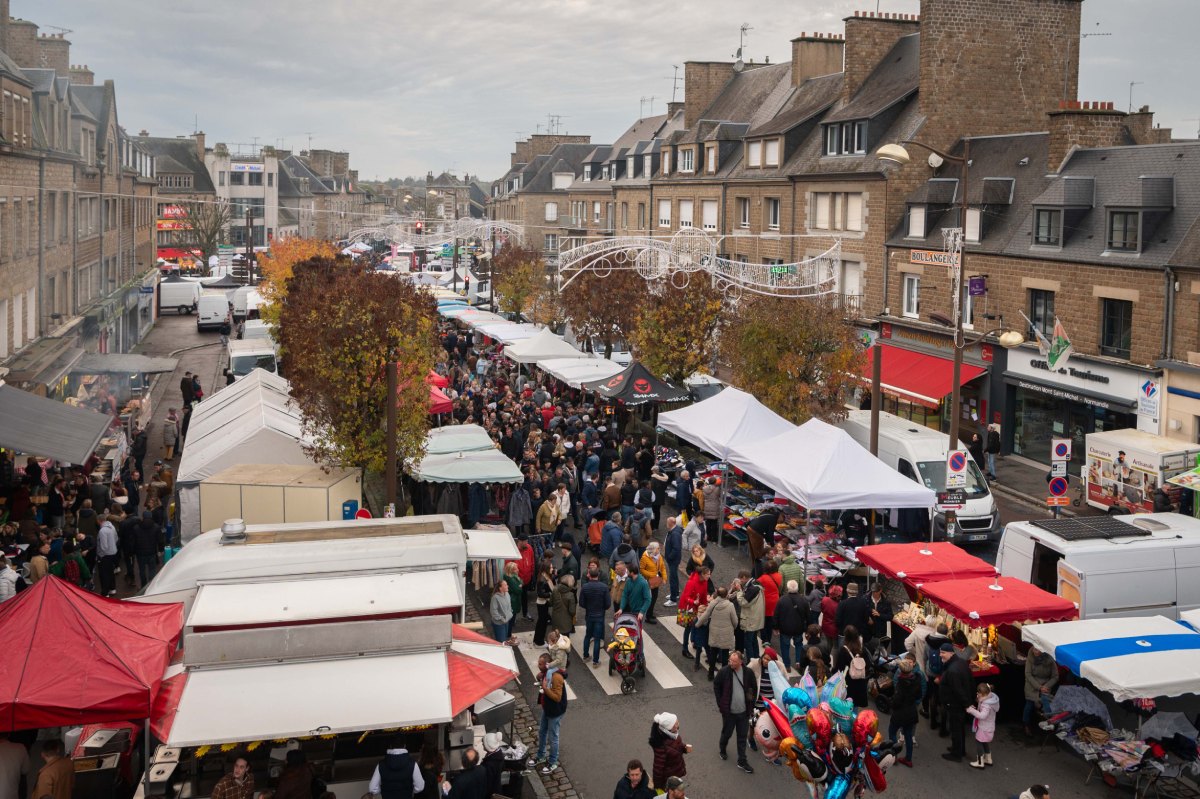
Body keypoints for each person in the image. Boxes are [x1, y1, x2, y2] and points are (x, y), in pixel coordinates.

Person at [712, 650, 756, 773]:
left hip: (743, 712)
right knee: (727, 733)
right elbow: (716, 685)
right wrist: (720, 703)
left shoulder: (748, 673)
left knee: (742, 737)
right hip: (729, 713)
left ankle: (742, 761)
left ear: (741, 662)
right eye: (730, 660)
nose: (731, 663)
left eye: (734, 661)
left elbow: (753, 688)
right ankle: (722, 749)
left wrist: (751, 705)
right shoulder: (724, 672)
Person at [527, 653, 567, 775]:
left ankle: (553, 761)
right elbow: (540, 678)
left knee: (553, 737)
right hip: (547, 708)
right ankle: (541, 756)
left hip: (555, 710)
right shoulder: (547, 673)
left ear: (547, 664)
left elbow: (557, 697)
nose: (538, 666)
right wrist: (538, 677)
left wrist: (545, 689)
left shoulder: (556, 677)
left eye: (540, 664)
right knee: (542, 732)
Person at [939, 642, 975, 762]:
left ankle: (956, 754)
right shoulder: (961, 663)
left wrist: (966, 704)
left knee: (956, 729)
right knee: (960, 728)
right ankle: (960, 749)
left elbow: (958, 690)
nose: (940, 655)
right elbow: (970, 682)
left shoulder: (952, 670)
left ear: (951, 653)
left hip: (955, 704)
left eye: (943, 653)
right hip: (959, 703)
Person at [887, 657, 924, 767]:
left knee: (892, 732)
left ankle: (893, 756)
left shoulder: (901, 684)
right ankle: (908, 759)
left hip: (899, 714)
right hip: (911, 712)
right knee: (908, 735)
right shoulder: (917, 679)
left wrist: (891, 702)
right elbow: (919, 695)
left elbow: (896, 701)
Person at [697, 586, 738, 680]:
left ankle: (710, 674)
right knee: (724, 655)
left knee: (713, 653)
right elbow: (735, 621)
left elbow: (705, 615)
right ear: (726, 594)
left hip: (714, 632)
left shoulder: (712, 603)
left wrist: (697, 624)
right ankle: (723, 676)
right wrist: (734, 627)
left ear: (717, 594)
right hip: (726, 633)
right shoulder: (730, 605)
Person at [678, 565, 712, 663]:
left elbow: (703, 596)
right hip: (687, 607)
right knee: (688, 628)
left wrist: (706, 605)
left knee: (695, 626)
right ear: (702, 574)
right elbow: (685, 597)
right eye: (708, 574)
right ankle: (684, 648)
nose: (709, 576)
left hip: (695, 607)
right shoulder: (691, 582)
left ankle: (695, 643)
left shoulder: (705, 582)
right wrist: (694, 602)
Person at [773, 579, 809, 671]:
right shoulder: (803, 600)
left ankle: (787, 665)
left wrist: (775, 627)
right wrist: (808, 629)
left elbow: (776, 615)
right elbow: (808, 615)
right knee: (798, 645)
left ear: (787, 588)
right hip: (799, 628)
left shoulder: (782, 600)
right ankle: (798, 661)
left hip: (785, 628)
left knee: (785, 647)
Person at [648, 713, 691, 789]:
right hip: (669, 780)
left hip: (676, 773)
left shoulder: (673, 734)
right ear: (670, 727)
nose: (678, 724)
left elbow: (677, 745)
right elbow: (658, 769)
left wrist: (684, 748)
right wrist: (658, 787)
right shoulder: (661, 747)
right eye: (676, 723)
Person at [1023, 645, 1059, 736]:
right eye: (1035, 649)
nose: (1036, 652)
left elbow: (1055, 676)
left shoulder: (1050, 659)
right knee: (1029, 705)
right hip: (1032, 685)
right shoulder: (1030, 658)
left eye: (1038, 650)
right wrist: (1039, 687)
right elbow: (1028, 674)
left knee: (1047, 705)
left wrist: (1045, 686)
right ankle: (1026, 725)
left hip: (1045, 685)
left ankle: (1049, 725)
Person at [580, 565, 609, 668]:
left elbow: (581, 603)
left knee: (588, 636)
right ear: (598, 574)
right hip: (600, 616)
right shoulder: (604, 587)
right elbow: (608, 604)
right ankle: (596, 662)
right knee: (597, 639)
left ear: (589, 575)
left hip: (589, 615)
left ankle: (586, 656)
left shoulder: (585, 587)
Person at [835, 626, 870, 709]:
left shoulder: (844, 650)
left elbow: (839, 668)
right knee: (855, 706)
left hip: (848, 683)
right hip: (860, 682)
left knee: (847, 707)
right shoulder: (862, 649)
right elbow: (868, 664)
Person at [966, 682, 999, 768]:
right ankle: (988, 759)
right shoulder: (991, 700)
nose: (977, 694)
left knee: (979, 741)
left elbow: (982, 715)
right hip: (989, 727)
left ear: (984, 694)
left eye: (978, 693)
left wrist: (971, 710)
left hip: (984, 727)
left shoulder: (986, 705)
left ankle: (980, 762)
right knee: (984, 742)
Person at [733, 572, 764, 662]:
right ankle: (756, 658)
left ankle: (751, 661)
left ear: (744, 577)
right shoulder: (756, 584)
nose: (740, 582)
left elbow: (743, 602)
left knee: (748, 642)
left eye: (740, 580)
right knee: (754, 640)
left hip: (750, 620)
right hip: (756, 619)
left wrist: (739, 591)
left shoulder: (752, 589)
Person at [639, 542, 667, 623]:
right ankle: (647, 616)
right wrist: (652, 574)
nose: (659, 549)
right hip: (647, 581)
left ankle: (649, 613)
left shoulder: (659, 556)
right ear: (653, 549)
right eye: (658, 548)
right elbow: (641, 569)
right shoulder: (645, 557)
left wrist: (664, 577)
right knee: (649, 598)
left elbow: (662, 567)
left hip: (655, 580)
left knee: (654, 597)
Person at [865, 583, 894, 648]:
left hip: (880, 631)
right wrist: (868, 618)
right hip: (868, 631)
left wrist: (879, 615)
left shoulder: (886, 602)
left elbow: (890, 616)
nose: (874, 593)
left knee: (879, 650)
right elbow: (861, 612)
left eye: (876, 592)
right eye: (873, 592)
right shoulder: (865, 599)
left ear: (880, 591)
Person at [533, 564, 554, 646]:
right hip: (542, 603)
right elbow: (540, 594)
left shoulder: (544, 577)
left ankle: (538, 640)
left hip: (543, 603)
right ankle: (539, 642)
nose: (552, 568)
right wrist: (550, 594)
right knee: (542, 623)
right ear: (547, 568)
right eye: (551, 567)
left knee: (542, 622)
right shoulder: (543, 579)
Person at [480, 733, 507, 799]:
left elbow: (488, 784)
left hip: (492, 794)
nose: (482, 744)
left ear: (488, 747)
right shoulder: (498, 753)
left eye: (483, 743)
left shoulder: (489, 765)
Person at [819, 584, 842, 651]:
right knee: (835, 647)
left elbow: (822, 610)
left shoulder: (824, 600)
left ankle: (826, 659)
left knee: (827, 646)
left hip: (825, 626)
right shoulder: (839, 605)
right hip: (835, 629)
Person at [700, 477, 721, 545]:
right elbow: (720, 495)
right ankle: (714, 539)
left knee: (708, 523)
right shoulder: (717, 489)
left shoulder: (704, 488)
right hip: (715, 506)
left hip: (707, 506)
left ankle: (708, 537)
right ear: (715, 482)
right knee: (714, 524)